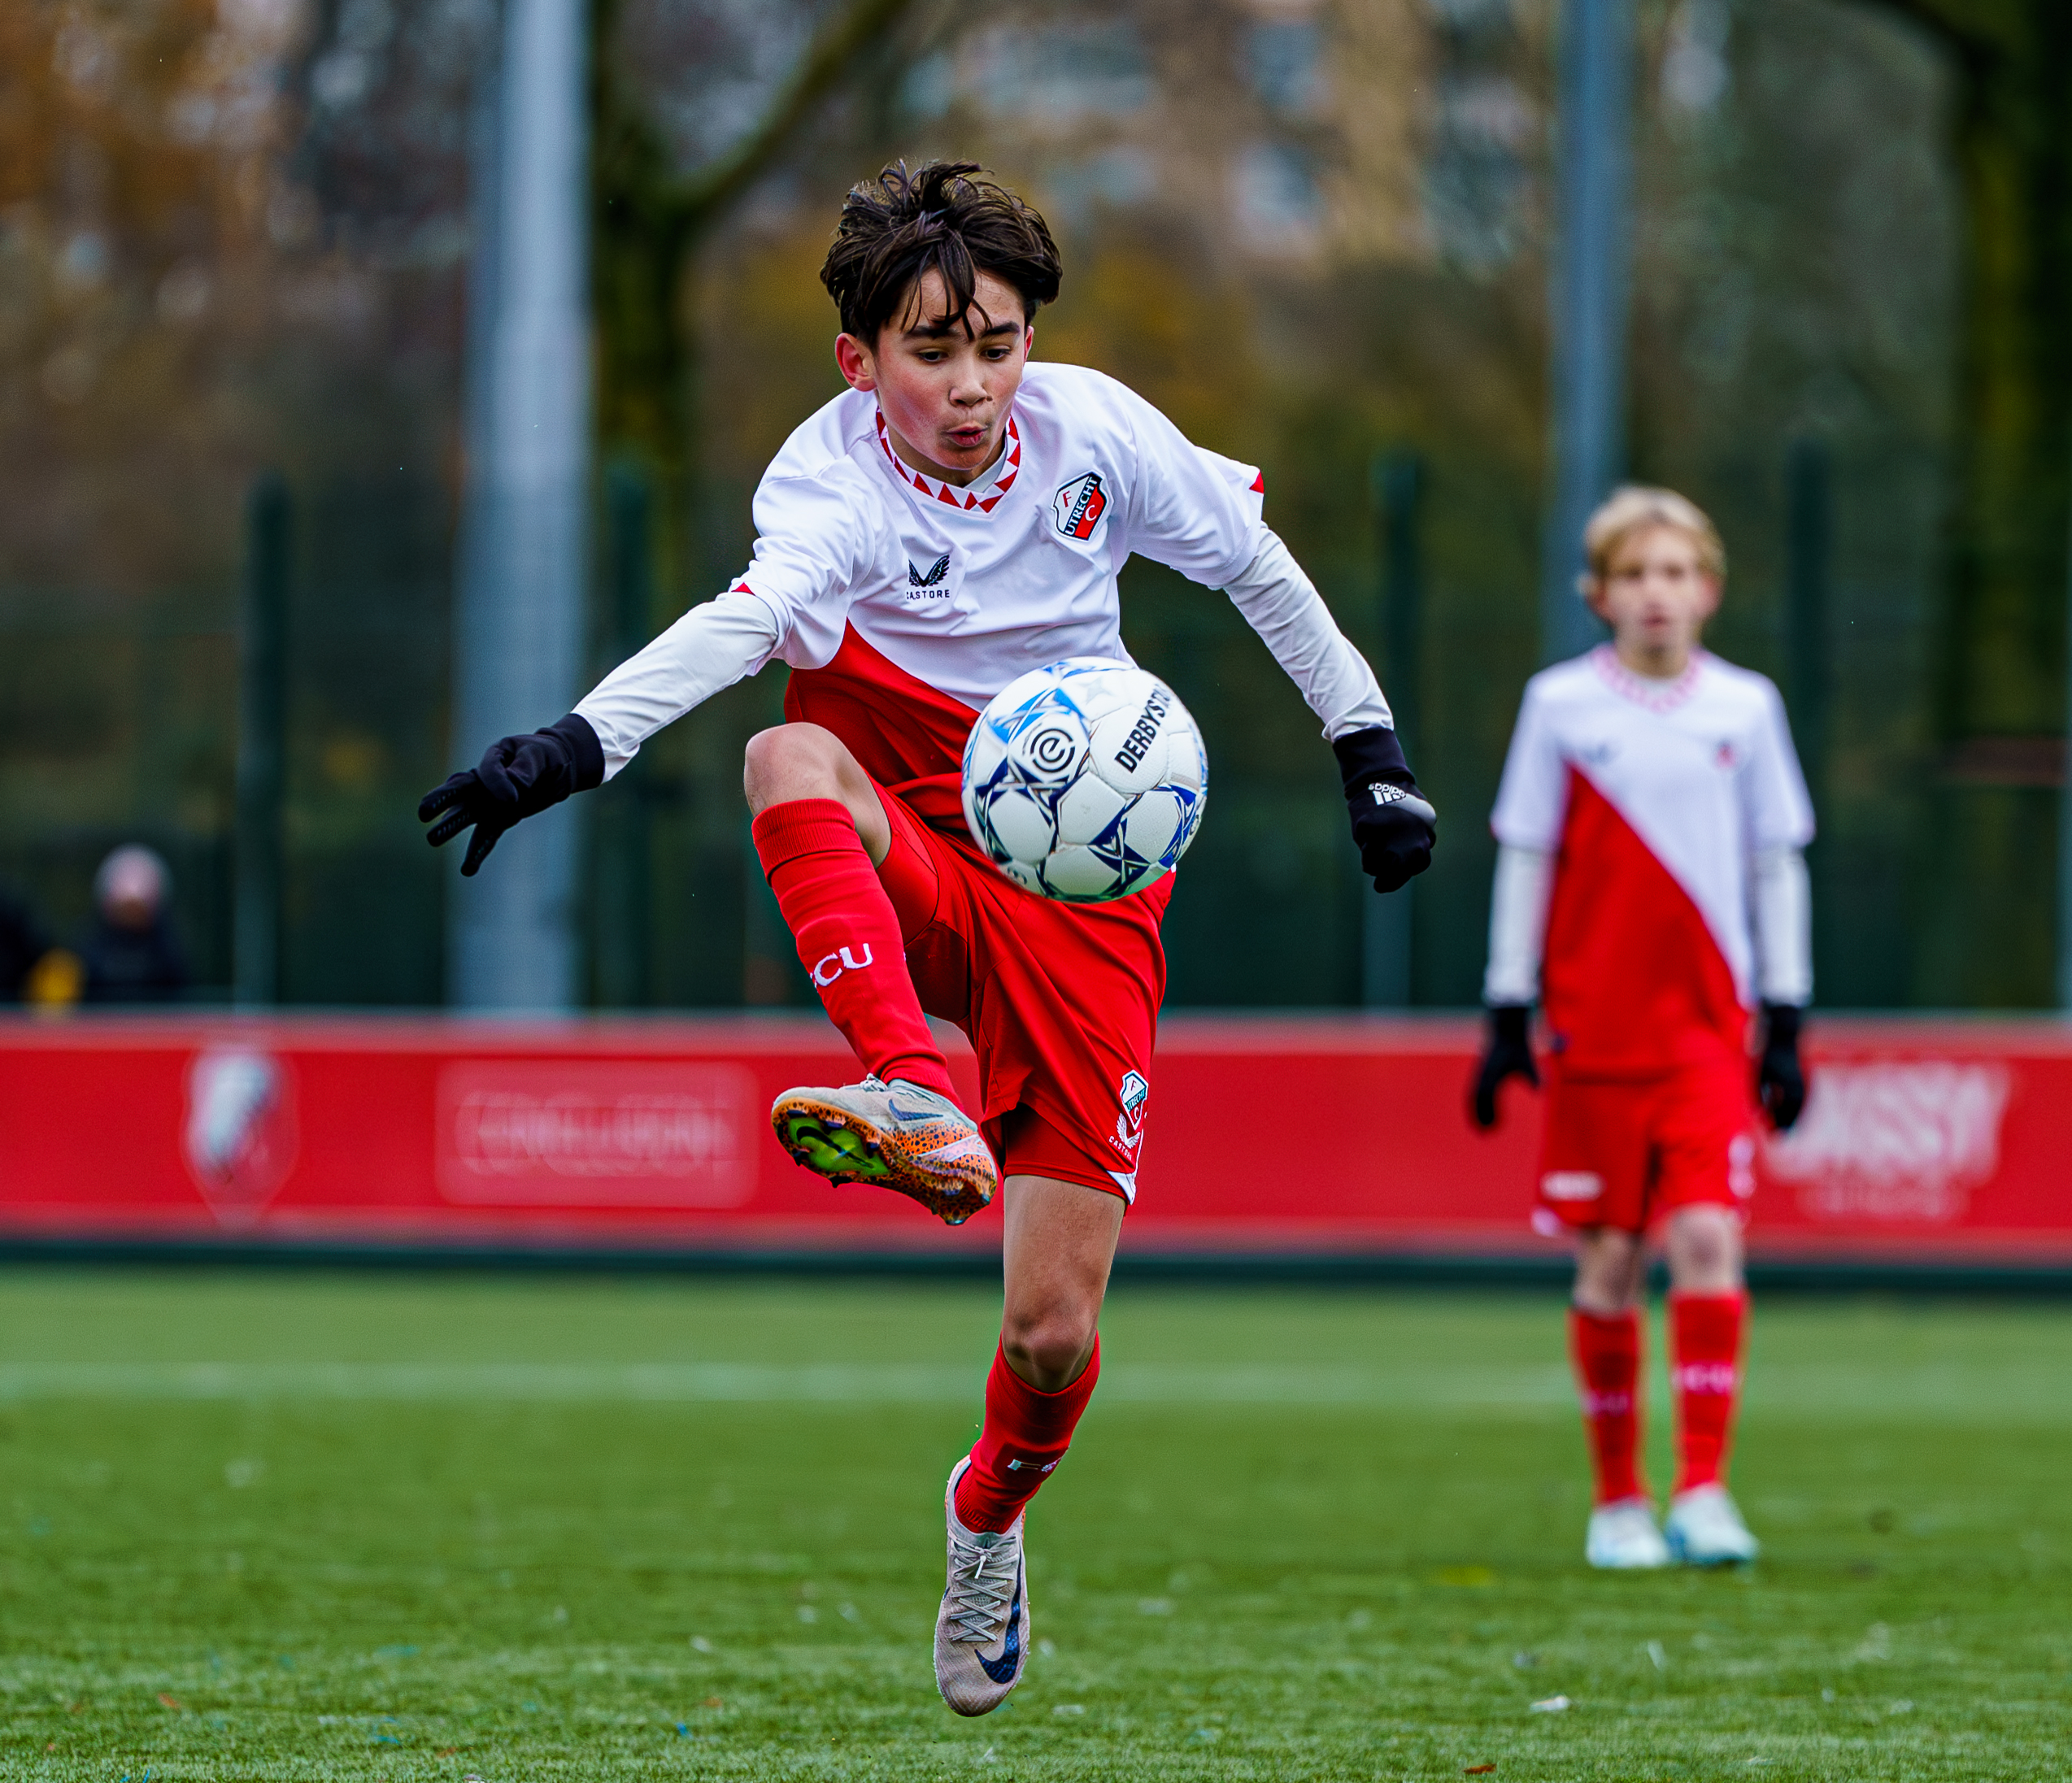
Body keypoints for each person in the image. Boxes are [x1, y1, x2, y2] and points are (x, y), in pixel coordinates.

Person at [417, 162, 1434, 1714]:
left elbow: (1257, 570)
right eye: (932, 350)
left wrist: (1367, 746)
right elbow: (746, 628)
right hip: (903, 819)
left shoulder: (1096, 432)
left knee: (1048, 1330)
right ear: (861, 358)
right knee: (783, 753)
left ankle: (985, 1521)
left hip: (1085, 896)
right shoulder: (827, 484)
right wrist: (570, 746)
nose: (971, 385)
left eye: (998, 343)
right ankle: (908, 1076)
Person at [1469, 485, 1811, 1571]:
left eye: (1674, 573)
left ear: (1706, 590)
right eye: (1633, 575)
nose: (1655, 594)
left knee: (1708, 1235)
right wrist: (1505, 1005)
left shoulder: (1744, 709)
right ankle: (1616, 1503)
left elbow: (1776, 859)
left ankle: (1702, 1489)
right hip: (1594, 1033)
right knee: (1609, 1258)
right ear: (1598, 594)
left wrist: (1789, 1012)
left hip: (1710, 1032)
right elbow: (1525, 851)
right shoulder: (1560, 707)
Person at [80, 845, 192, 1004]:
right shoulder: (91, 949)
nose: (131, 915)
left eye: (138, 908)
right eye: (125, 907)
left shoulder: (167, 949)